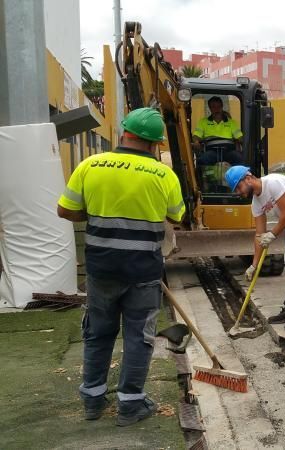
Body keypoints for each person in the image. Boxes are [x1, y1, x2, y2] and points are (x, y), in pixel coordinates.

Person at [57, 107, 186, 426]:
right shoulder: (164, 175)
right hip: (142, 272)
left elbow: (66, 210)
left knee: (98, 334)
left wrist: (98, 216)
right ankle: (130, 405)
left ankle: (92, 400)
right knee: (138, 337)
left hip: (101, 270)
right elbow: (176, 217)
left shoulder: (90, 166)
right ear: (155, 144)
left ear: (123, 132)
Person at [225, 166, 285, 331]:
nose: (239, 193)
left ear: (248, 177)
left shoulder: (273, 183)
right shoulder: (256, 203)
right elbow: (259, 236)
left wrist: (273, 234)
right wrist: (254, 265)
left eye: (238, 187)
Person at [192, 96, 245, 166]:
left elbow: (240, 137)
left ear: (222, 107)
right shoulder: (203, 122)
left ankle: (239, 176)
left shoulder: (232, 123)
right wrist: (196, 142)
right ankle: (204, 177)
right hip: (212, 152)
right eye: (213, 107)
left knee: (239, 158)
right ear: (210, 108)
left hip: (228, 151)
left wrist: (244, 142)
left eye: (218, 107)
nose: (216, 109)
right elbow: (196, 135)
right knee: (202, 160)